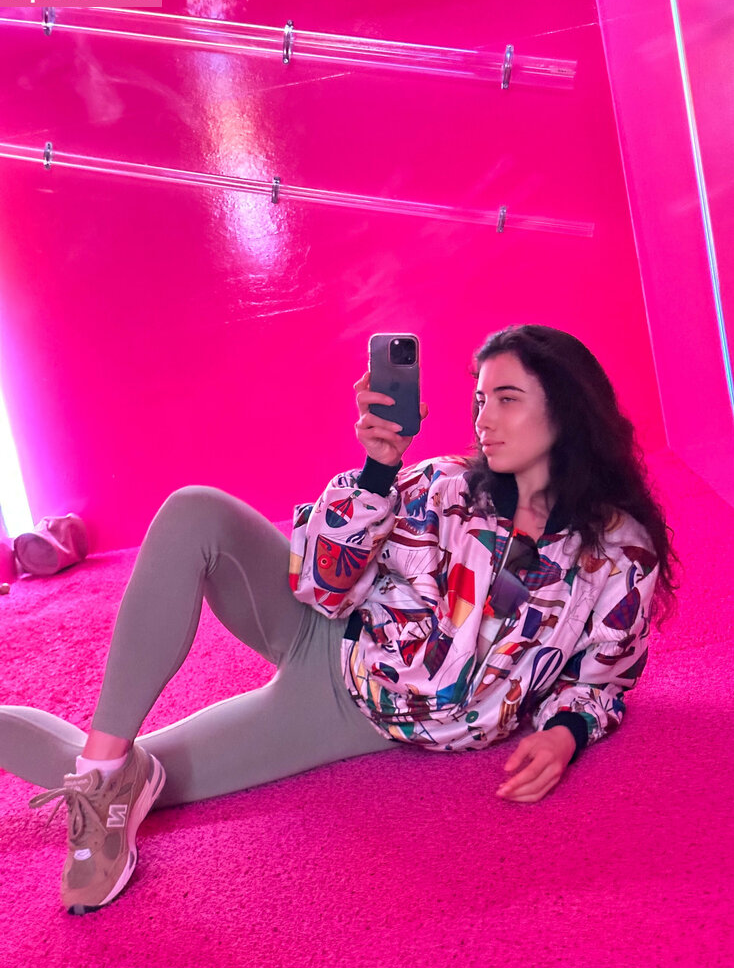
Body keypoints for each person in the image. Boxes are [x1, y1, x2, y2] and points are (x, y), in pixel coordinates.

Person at [1, 324, 676, 915]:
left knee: (150, 782)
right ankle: (102, 768)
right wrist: (378, 472)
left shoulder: (620, 553)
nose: (484, 420)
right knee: (193, 511)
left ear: (567, 409)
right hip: (324, 631)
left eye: (506, 398)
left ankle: (108, 777)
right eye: (479, 400)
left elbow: (603, 679)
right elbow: (320, 587)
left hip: (349, 713)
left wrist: (564, 734)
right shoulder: (445, 485)